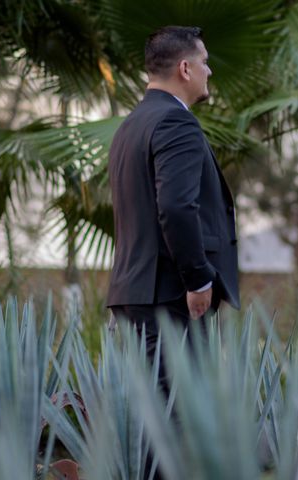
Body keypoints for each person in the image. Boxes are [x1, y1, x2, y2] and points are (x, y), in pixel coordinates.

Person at [106, 26, 240, 379]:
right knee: (175, 419)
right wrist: (198, 279)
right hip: (171, 295)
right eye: (204, 62)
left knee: (151, 417)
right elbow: (177, 207)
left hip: (134, 291)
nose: (209, 71)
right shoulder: (175, 122)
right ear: (185, 68)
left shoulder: (131, 125)